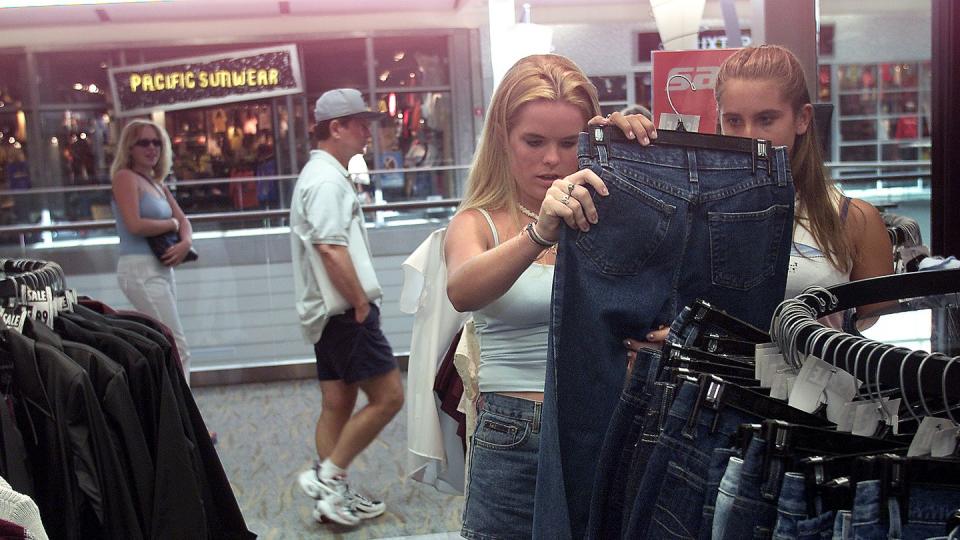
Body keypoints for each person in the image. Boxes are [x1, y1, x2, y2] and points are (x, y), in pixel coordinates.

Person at [443, 54, 651, 538]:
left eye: (569, 142)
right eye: (533, 141)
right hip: (516, 429)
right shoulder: (480, 221)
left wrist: (633, 158)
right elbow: (462, 289)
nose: (552, 159)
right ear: (504, 138)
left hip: (606, 421)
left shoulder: (609, 217)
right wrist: (539, 233)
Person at [622, 44, 894, 362]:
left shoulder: (854, 220)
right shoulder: (689, 215)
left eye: (766, 119)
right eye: (734, 121)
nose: (750, 137)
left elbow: (875, 338)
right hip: (712, 401)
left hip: (816, 405)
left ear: (803, 119)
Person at [291, 88, 405, 527]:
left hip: (329, 312)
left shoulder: (322, 175)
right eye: (358, 124)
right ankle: (327, 478)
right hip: (344, 311)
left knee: (337, 402)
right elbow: (329, 247)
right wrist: (359, 303)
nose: (365, 133)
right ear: (335, 128)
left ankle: (332, 496)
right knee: (389, 397)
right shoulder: (324, 180)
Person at [110, 119, 193, 384]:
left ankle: (172, 417)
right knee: (177, 346)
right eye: (143, 142)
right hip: (139, 269)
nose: (151, 148)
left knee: (166, 344)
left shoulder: (157, 184)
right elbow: (134, 224)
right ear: (130, 148)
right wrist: (171, 224)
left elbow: (185, 221)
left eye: (156, 142)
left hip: (162, 268)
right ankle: (184, 422)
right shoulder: (125, 178)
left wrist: (186, 243)